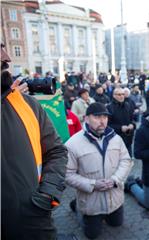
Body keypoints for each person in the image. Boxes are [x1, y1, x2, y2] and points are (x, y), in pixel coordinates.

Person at [1, 43, 68, 239]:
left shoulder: (28, 105)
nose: (6, 57)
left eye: (4, 46)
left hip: (33, 224)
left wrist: (47, 194)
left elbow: (57, 151)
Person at [65, 102, 133, 239]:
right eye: (97, 117)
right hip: (91, 204)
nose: (102, 121)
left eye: (105, 117)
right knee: (92, 235)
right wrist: (93, 184)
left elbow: (126, 160)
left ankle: (79, 206)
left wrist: (115, 180)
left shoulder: (116, 138)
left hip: (115, 198)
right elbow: (67, 174)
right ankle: (77, 208)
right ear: (86, 118)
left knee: (116, 224)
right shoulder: (72, 144)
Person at [107, 88, 136, 156]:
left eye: (123, 94)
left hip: (128, 140)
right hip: (115, 141)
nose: (122, 96)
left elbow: (132, 119)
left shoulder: (127, 105)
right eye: (119, 94)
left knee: (128, 162)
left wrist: (132, 125)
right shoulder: (109, 107)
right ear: (114, 95)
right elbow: (107, 126)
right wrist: (120, 128)